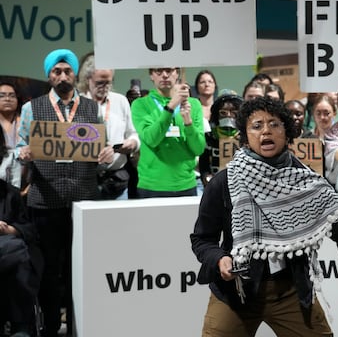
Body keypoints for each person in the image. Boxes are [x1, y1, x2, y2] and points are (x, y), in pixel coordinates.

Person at [190, 97, 338, 336]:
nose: (266, 130)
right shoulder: (225, 182)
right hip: (236, 291)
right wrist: (221, 259)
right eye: (257, 125)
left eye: (274, 124)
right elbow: (202, 240)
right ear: (245, 135)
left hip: (291, 291)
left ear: (287, 132)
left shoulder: (305, 181)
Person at [16, 48, 114, 337]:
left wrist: (107, 153)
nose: (62, 76)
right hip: (45, 200)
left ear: (75, 74)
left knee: (81, 267)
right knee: (48, 269)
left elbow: (101, 145)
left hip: (83, 198)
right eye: (56, 71)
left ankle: (78, 324)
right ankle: (49, 325)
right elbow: (22, 146)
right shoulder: (31, 108)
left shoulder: (91, 108)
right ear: (48, 75)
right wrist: (23, 153)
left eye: (66, 71)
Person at [131, 67, 206, 198]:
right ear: (151, 75)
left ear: (177, 73)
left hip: (186, 184)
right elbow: (151, 139)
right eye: (158, 71)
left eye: (169, 71)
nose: (164, 75)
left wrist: (188, 123)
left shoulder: (193, 104)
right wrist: (171, 107)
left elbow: (199, 149)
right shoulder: (140, 104)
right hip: (152, 185)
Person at [78, 53, 140, 200]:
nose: (105, 87)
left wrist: (132, 143)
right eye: (100, 82)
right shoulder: (77, 102)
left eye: (109, 82)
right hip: (85, 180)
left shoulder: (120, 101)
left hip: (117, 181)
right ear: (88, 79)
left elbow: (133, 134)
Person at [0, 130, 43, 337]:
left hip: (9, 261)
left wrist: (10, 229)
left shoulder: (9, 193)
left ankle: (22, 326)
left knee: (21, 253)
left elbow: (28, 229)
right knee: (16, 249)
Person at [198, 90, 243, 187]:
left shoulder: (245, 138)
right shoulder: (210, 137)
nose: (229, 115)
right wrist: (207, 179)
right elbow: (203, 164)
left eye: (234, 112)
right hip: (215, 185)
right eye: (223, 112)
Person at [0, 81, 22, 188]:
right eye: (2, 96)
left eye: (12, 96)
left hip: (22, 182)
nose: (7, 99)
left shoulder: (25, 123)